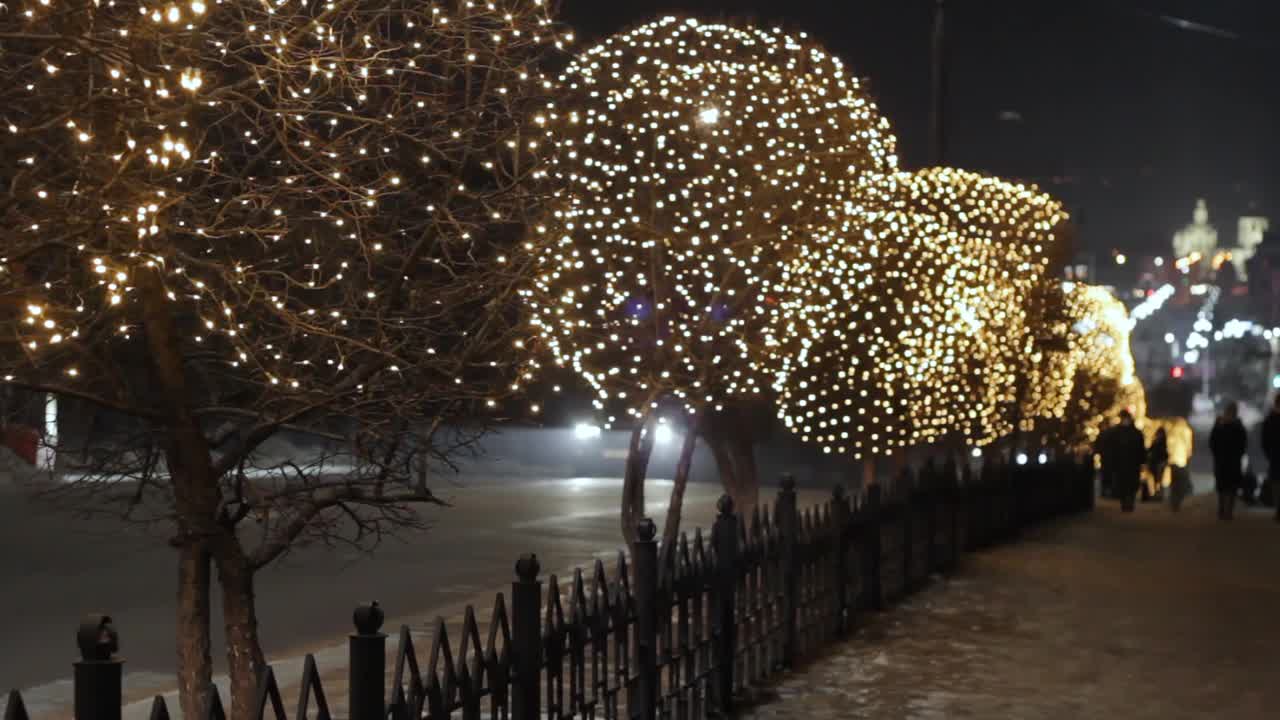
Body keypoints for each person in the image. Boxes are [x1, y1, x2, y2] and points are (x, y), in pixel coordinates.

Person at [1209, 401, 1248, 521]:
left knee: (1226, 486)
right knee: (1229, 487)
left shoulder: (1222, 426)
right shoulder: (1237, 426)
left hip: (1224, 461)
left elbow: (1213, 442)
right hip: (1230, 461)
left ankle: (1224, 510)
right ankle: (1227, 511)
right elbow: (1243, 444)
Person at [1109, 410, 1146, 512]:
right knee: (1124, 484)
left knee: (1130, 484)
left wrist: (1142, 461)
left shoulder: (1135, 433)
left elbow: (1141, 449)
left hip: (1132, 463)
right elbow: (1112, 449)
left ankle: (1128, 502)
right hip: (1123, 463)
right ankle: (1126, 503)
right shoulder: (1117, 433)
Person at [1262, 394, 1280, 521]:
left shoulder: (1270, 419)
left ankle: (1278, 510)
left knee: (1276, 485)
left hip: (1275, 457)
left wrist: (1269, 453)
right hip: (1275, 456)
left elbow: (1265, 441)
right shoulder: (1270, 419)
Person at [1147, 428, 1169, 502]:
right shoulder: (1156, 442)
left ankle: (1159, 495)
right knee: (1156, 480)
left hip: (1159, 464)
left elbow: (1164, 454)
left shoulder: (1161, 443)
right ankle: (1157, 494)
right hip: (1155, 464)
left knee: (1159, 480)